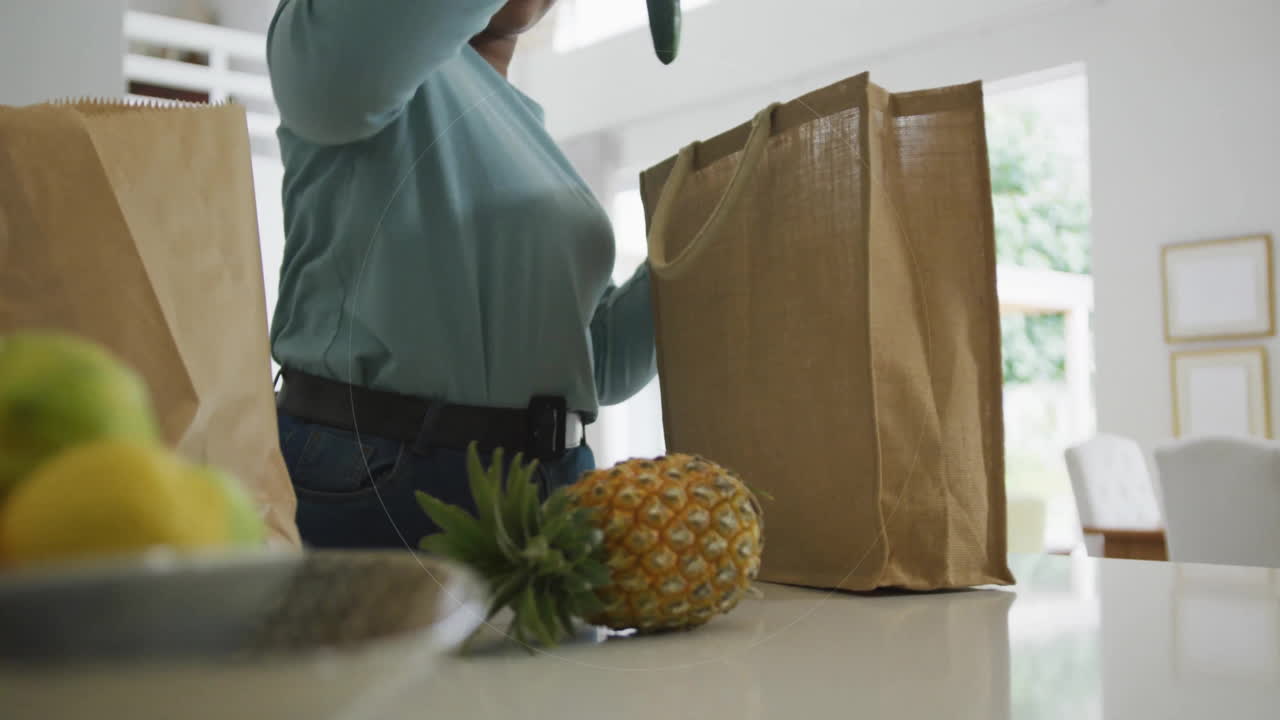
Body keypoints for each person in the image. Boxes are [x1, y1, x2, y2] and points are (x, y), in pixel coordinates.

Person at [266, 0, 656, 549]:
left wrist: (709, 236)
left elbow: (600, 362)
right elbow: (357, 72)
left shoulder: (531, 136)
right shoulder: (336, 27)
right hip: (378, 474)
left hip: (553, 488)